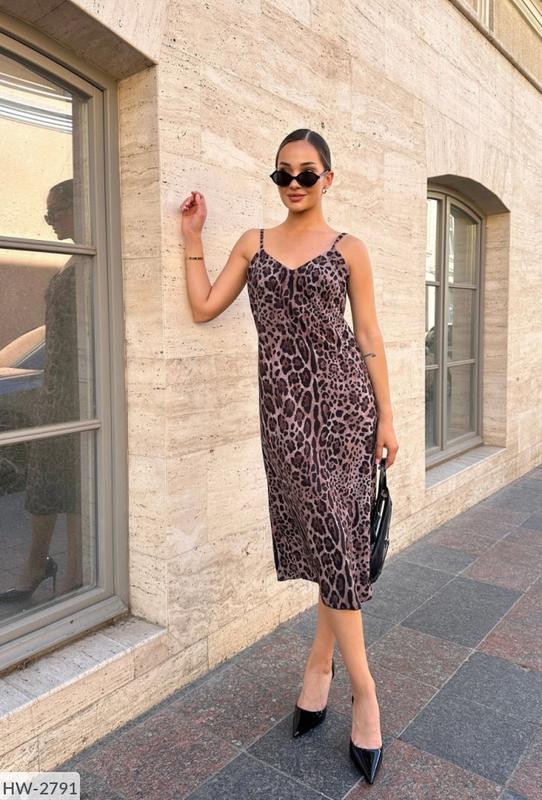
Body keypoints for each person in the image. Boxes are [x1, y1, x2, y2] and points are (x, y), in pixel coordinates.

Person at [179, 128, 398, 784]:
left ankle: (359, 691)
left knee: (338, 543)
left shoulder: (349, 248)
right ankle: (320, 666)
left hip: (346, 408)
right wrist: (192, 240)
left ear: (328, 178)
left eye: (306, 173)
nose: (294, 183)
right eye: (283, 173)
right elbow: (203, 307)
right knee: (331, 544)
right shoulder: (254, 243)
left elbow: (367, 332)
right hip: (286, 419)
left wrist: (387, 414)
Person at [0, 178, 84, 603]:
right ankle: (39, 565)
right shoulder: (77, 257)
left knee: (74, 484)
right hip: (57, 388)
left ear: (78, 208)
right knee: (46, 481)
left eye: (55, 212)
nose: (49, 221)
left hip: (78, 389)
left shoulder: (92, 259)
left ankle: (74, 575)